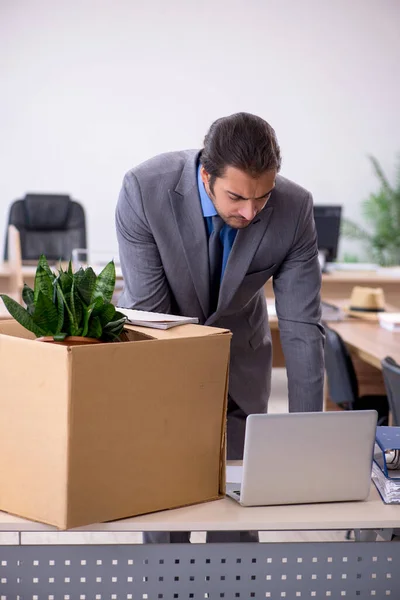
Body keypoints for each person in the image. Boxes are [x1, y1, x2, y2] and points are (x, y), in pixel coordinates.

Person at [116, 112, 325, 543]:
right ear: (206, 175)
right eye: (236, 198)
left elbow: (303, 328)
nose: (250, 212)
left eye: (262, 198)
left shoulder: (294, 207)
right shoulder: (145, 189)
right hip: (165, 357)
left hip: (242, 364)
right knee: (167, 520)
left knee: (238, 523)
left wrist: (308, 441)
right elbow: (153, 319)